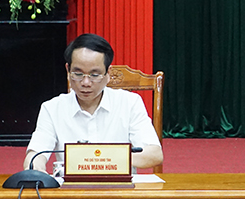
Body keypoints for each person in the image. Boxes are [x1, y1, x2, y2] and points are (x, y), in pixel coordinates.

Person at [24, 33, 163, 172]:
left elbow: (154, 154)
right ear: (68, 70)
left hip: (120, 185)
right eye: (78, 74)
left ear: (108, 73)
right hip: (71, 186)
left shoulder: (129, 103)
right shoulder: (52, 108)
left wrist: (100, 161)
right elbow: (35, 154)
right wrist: (35, 170)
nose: (85, 82)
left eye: (94, 75)